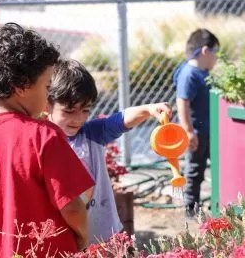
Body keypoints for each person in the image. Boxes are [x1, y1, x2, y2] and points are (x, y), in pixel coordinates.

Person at [0, 23, 94, 257]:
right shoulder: (44, 135)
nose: (47, 95)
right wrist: (82, 236)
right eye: (46, 85)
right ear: (21, 86)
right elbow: (72, 208)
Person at [47, 58, 172, 244]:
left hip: (104, 235)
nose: (78, 119)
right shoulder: (42, 143)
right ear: (47, 104)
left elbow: (120, 120)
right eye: (69, 111)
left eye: (85, 110)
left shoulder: (91, 134)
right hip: (65, 238)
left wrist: (148, 109)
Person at [173, 28, 219, 217]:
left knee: (215, 166)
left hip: (208, 131)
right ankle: (191, 208)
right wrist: (189, 131)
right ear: (205, 51)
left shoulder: (202, 72)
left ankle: (217, 204)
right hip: (197, 134)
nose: (216, 59)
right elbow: (182, 101)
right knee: (194, 170)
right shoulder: (190, 74)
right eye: (216, 54)